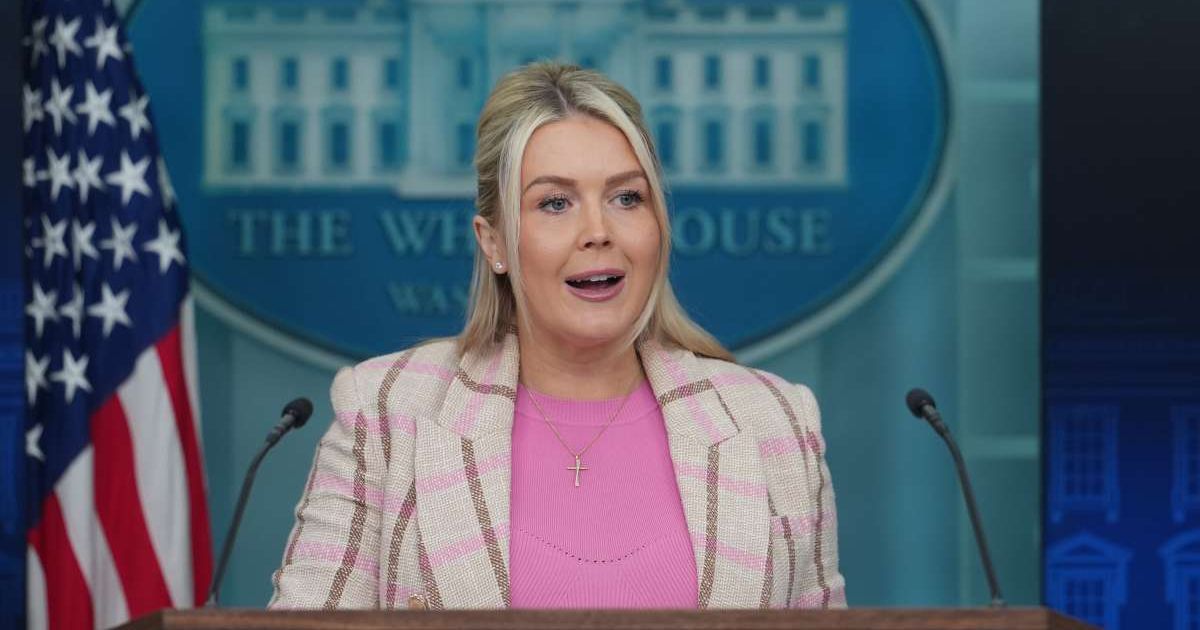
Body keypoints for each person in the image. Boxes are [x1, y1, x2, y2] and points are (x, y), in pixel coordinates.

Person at [269, 62, 846, 611]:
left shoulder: (775, 422)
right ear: (493, 241)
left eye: (627, 197)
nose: (597, 231)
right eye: (554, 203)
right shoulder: (387, 411)